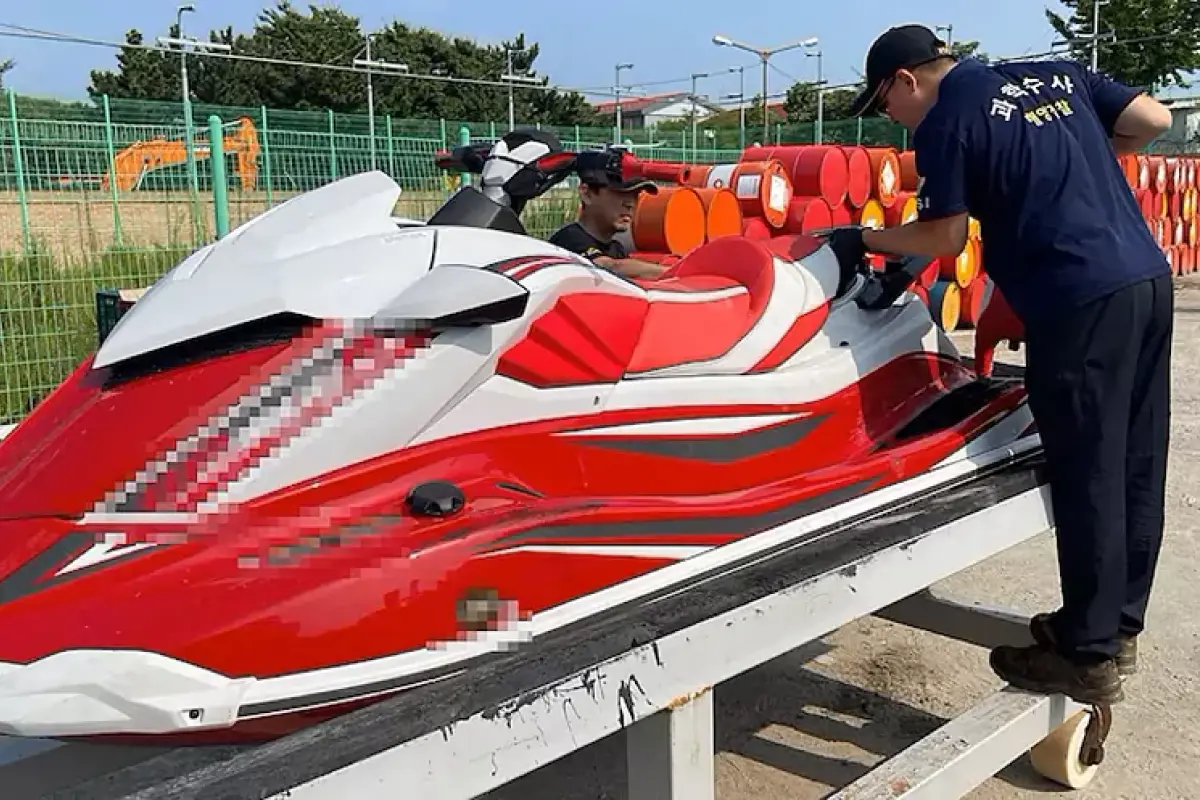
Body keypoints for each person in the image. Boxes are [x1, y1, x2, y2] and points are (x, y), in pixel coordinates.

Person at [829, 24, 1174, 706]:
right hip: (1144, 279)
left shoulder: (950, 119)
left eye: (886, 106)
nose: (893, 122)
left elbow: (944, 235)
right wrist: (1074, 159)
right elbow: (1153, 119)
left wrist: (859, 237)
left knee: (1089, 471)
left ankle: (1087, 653)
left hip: (1075, 300)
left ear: (907, 79)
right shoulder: (1054, 74)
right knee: (1137, 461)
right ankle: (1115, 626)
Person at [549, 156, 670, 279]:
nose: (630, 204)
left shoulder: (616, 249)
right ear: (587, 194)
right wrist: (673, 273)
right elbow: (608, 267)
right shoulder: (568, 240)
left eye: (635, 195)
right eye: (620, 193)